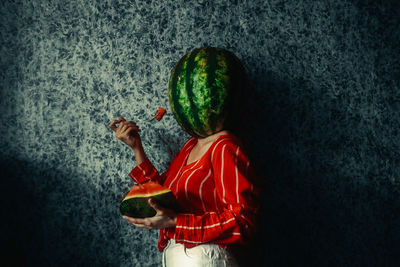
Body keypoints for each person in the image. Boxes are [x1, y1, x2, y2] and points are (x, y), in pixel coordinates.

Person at [109, 115, 260, 267]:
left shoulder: (225, 146)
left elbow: (243, 222)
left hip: (205, 256)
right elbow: (160, 196)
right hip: (175, 254)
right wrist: (136, 147)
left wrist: (175, 221)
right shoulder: (190, 145)